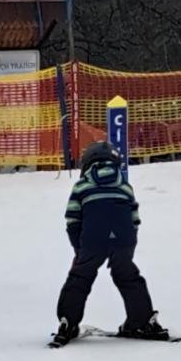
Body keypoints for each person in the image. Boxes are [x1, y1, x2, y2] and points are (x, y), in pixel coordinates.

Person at [51, 140, 169, 346]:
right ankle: (142, 321)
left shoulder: (81, 186)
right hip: (124, 239)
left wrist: (78, 249)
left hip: (92, 239)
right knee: (128, 276)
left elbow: (72, 219)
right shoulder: (125, 186)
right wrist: (128, 247)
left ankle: (67, 322)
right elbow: (134, 219)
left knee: (80, 277)